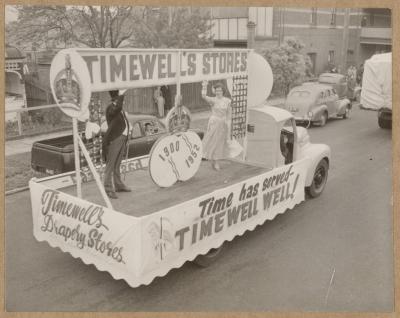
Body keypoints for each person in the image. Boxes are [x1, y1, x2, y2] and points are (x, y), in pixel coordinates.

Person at [102, 89, 131, 199]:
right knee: (110, 165)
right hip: (115, 140)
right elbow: (117, 108)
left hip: (121, 138)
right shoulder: (111, 107)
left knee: (117, 164)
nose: (122, 101)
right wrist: (121, 95)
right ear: (116, 97)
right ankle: (108, 189)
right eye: (120, 98)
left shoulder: (117, 107)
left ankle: (118, 185)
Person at [201, 81, 232, 171]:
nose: (218, 92)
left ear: (223, 91)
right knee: (213, 141)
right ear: (215, 91)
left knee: (220, 143)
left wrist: (228, 124)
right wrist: (204, 86)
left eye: (220, 90)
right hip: (214, 123)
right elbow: (203, 96)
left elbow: (229, 114)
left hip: (223, 124)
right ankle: (215, 161)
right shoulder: (213, 100)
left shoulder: (227, 101)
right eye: (217, 90)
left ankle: (215, 160)